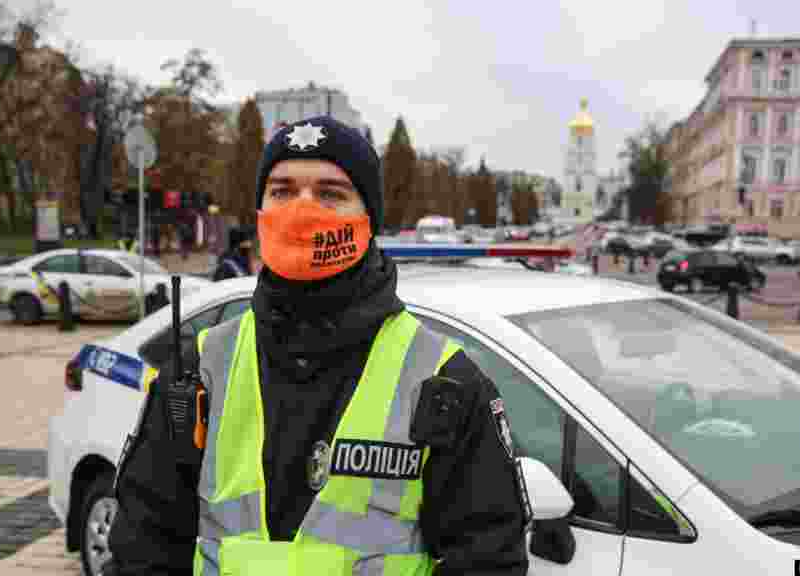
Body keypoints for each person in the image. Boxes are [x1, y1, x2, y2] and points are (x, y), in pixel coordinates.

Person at [106, 115, 531, 576]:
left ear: (368, 218)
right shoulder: (197, 372)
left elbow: (488, 561)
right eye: (282, 191)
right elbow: (143, 551)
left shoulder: (445, 382)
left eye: (330, 193)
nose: (302, 210)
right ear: (260, 212)